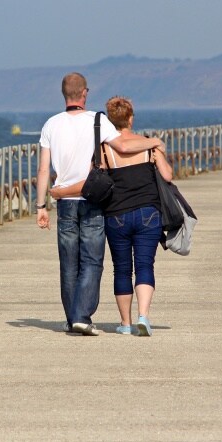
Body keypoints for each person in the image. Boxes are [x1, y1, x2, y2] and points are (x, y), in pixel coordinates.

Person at [36, 73, 165, 336]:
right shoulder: (98, 120)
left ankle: (73, 318)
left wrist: (40, 207)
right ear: (84, 93)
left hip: (65, 202)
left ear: (64, 94)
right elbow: (124, 146)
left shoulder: (51, 124)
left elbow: (42, 169)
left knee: (68, 262)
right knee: (92, 261)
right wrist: (154, 142)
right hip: (93, 199)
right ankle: (82, 315)